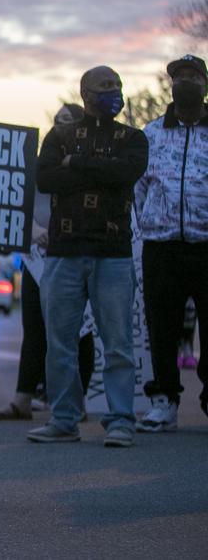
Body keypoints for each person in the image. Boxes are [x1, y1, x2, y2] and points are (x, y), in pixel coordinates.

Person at [29, 66, 148, 448]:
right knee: (59, 342)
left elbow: (125, 174)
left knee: (117, 344)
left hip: (112, 254)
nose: (114, 92)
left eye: (117, 86)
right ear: (85, 93)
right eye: (105, 87)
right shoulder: (59, 134)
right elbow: (45, 178)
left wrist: (75, 163)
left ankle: (121, 420)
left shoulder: (133, 138)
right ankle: (63, 419)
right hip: (63, 252)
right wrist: (99, 171)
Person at [0, 104, 96, 421]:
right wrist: (32, 232)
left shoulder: (90, 166)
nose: (62, 127)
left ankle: (77, 400)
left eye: (70, 122)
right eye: (58, 122)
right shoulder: (36, 167)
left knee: (80, 330)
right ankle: (23, 398)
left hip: (77, 255)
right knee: (34, 328)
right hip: (37, 259)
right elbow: (17, 207)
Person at [134, 54, 208, 432]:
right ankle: (163, 402)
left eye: (194, 76)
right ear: (172, 85)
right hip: (161, 248)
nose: (187, 81)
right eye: (181, 76)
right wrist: (147, 223)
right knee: (160, 328)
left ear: (205, 85)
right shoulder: (152, 134)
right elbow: (139, 187)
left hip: (206, 247)